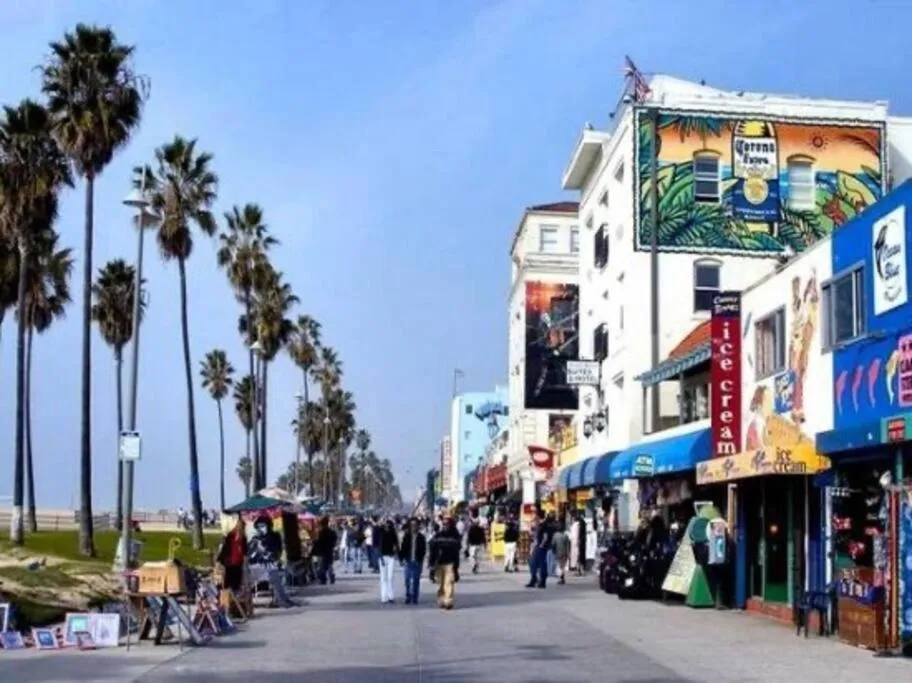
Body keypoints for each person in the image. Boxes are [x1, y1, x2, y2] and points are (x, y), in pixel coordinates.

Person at [429, 515, 461, 610]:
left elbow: (457, 550)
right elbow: (432, 549)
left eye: (447, 524)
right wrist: (431, 564)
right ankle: (441, 599)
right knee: (441, 583)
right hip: (439, 563)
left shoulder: (455, 535)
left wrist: (456, 567)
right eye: (444, 524)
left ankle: (448, 601)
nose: (445, 526)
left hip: (450, 563)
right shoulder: (438, 535)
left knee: (449, 582)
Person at [399, 517, 427, 605]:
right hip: (408, 561)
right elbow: (403, 548)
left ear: (418, 526)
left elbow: (423, 550)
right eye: (411, 525)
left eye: (415, 525)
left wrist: (421, 561)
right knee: (407, 580)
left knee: (416, 581)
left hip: (417, 561)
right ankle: (408, 596)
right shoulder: (407, 536)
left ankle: (415, 597)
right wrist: (401, 558)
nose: (413, 527)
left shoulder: (421, 537)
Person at [216, 516, 248, 592]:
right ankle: (227, 596)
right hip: (229, 561)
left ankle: (235, 594)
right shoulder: (230, 536)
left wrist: (245, 558)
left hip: (238, 562)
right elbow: (225, 549)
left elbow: (245, 550)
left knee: (236, 582)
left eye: (242, 527)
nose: (241, 529)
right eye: (240, 526)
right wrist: (219, 560)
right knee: (228, 580)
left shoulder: (243, 538)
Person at [526, 511, 554, 589]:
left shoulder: (543, 525)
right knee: (536, 564)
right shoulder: (542, 526)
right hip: (539, 547)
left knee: (536, 564)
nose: (532, 522)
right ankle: (537, 580)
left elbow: (545, 536)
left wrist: (541, 545)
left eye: (534, 520)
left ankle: (538, 580)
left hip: (540, 548)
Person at [378, 518, 400, 604]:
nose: (387, 526)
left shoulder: (392, 533)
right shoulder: (380, 532)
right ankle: (384, 597)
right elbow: (378, 545)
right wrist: (380, 556)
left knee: (390, 577)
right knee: (383, 578)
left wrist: (396, 553)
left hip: (391, 556)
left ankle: (391, 596)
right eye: (385, 524)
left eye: (388, 524)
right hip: (382, 557)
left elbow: (396, 544)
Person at [313, 516, 337, 585]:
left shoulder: (320, 532)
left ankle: (323, 579)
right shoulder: (331, 532)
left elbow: (318, 542)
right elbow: (334, 540)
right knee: (329, 564)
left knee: (322, 566)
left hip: (322, 551)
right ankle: (331, 577)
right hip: (329, 550)